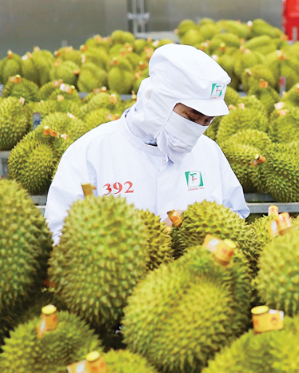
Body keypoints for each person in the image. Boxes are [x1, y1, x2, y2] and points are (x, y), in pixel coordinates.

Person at [45, 44, 249, 244]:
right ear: (158, 100)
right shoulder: (89, 154)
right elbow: (59, 236)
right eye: (191, 117)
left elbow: (235, 220)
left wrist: (202, 229)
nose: (197, 128)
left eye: (207, 121)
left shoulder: (209, 153)